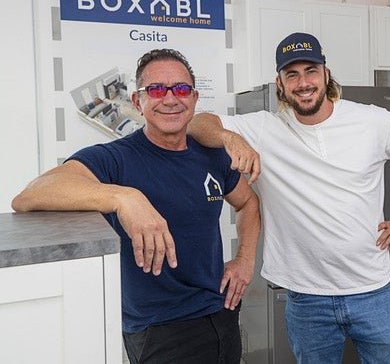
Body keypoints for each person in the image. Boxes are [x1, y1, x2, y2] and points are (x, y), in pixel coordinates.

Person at [188, 32, 390, 363]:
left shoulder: (372, 120)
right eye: (292, 74)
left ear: (326, 74)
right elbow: (197, 124)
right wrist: (230, 138)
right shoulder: (265, 128)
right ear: (280, 83)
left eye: (311, 71)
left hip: (374, 291)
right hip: (307, 299)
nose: (303, 83)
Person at [12, 49, 261, 364]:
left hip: (221, 311)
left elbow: (248, 203)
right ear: (137, 101)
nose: (170, 99)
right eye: (156, 90)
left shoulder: (213, 156)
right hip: (159, 329)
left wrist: (244, 260)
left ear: (194, 98)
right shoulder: (116, 158)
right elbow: (30, 195)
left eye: (181, 89)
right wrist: (124, 197)